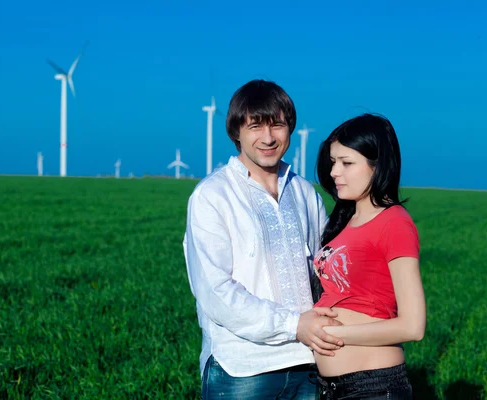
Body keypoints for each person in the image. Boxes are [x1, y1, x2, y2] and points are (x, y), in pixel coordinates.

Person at [183, 79, 345, 399]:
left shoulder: (305, 193)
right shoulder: (212, 196)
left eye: (278, 125)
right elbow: (215, 293)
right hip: (241, 369)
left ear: (290, 129)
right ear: (236, 132)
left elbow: (326, 271)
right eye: (255, 126)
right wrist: (294, 324)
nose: (268, 138)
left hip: (308, 363)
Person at [312, 113, 426, 399]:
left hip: (374, 387)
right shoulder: (343, 221)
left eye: (347, 163)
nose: (334, 172)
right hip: (333, 388)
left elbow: (413, 326)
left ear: (378, 166)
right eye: (333, 162)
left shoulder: (394, 222)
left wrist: (332, 333)